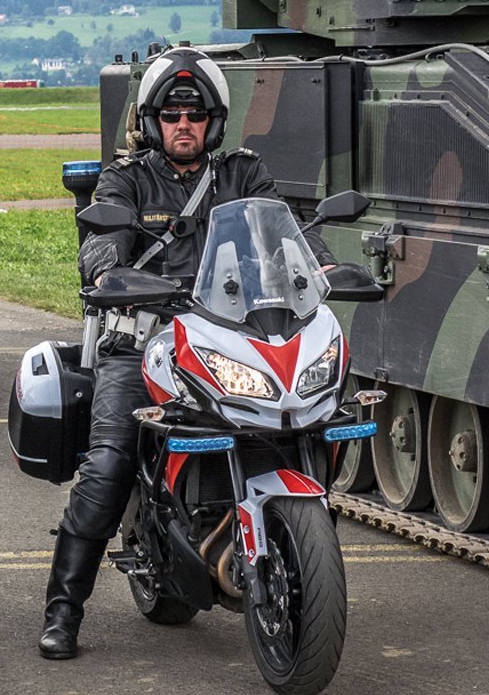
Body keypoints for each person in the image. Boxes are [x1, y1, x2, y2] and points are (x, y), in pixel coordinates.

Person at [37, 47, 336, 661]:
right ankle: (63, 613)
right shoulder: (125, 179)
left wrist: (321, 261)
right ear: (152, 121)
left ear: (213, 122)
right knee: (111, 461)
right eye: (171, 114)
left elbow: (288, 231)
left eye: (194, 115)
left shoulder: (242, 176)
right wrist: (108, 268)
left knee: (306, 417)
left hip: (230, 337)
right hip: (143, 337)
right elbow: (100, 243)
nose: (183, 124)